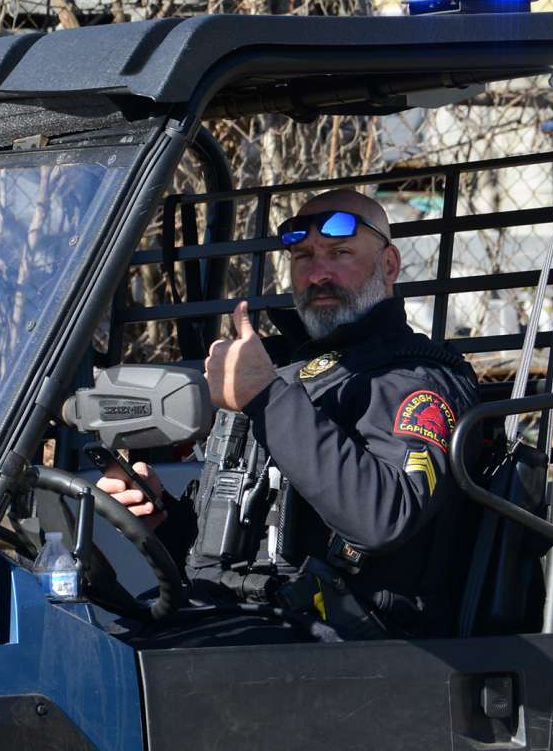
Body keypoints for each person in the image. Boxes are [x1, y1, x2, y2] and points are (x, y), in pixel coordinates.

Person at [98, 189, 481, 640]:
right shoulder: (282, 371)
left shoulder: (417, 380)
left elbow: (382, 519)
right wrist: (162, 518)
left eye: (340, 253)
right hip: (237, 619)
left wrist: (267, 397)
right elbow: (237, 551)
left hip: (353, 646)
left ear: (390, 265)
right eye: (303, 257)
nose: (319, 272)